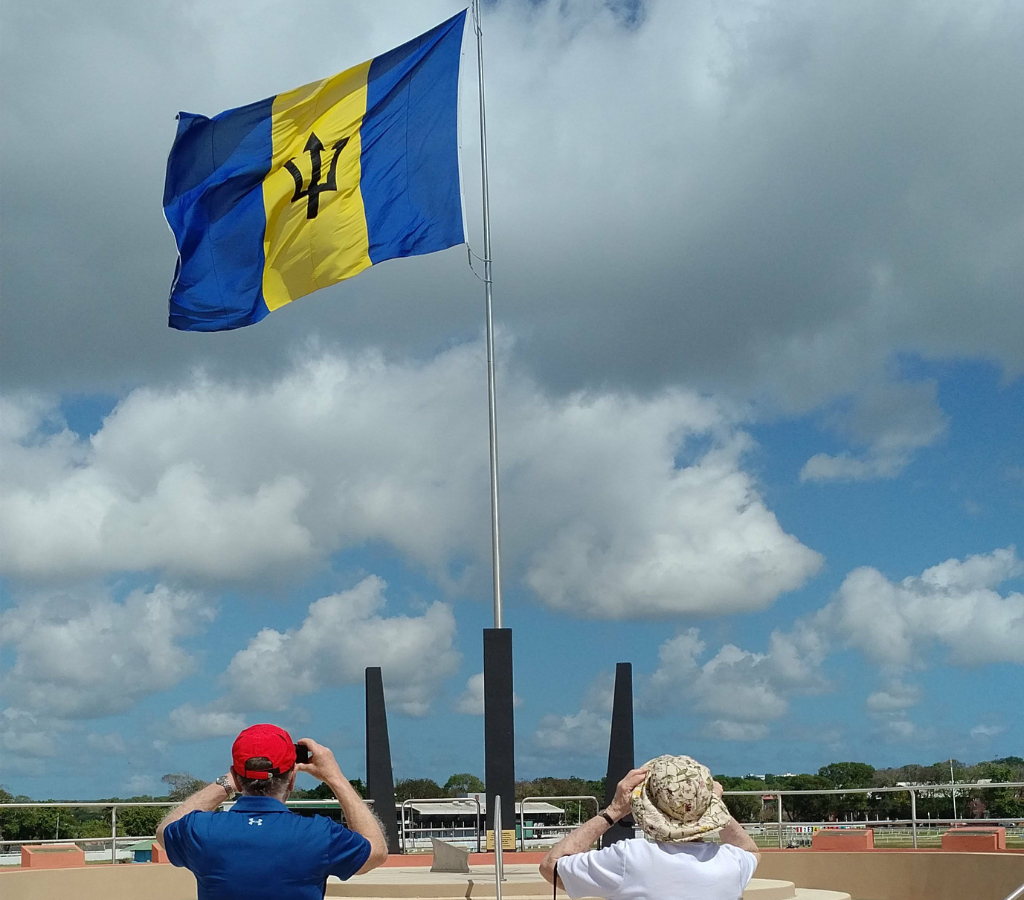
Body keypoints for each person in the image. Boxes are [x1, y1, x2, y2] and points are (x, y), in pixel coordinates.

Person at [155, 723, 387, 900]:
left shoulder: (201, 831)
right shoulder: (319, 834)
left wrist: (226, 783)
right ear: (292, 779)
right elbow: (376, 852)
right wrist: (335, 777)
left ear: (236, 776)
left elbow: (164, 832)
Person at [540, 755, 760, 900]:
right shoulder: (733, 863)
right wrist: (715, 806)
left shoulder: (630, 857)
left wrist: (614, 811)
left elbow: (551, 866)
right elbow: (751, 851)